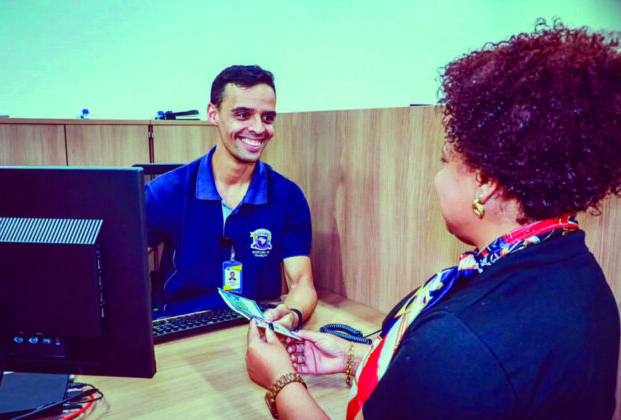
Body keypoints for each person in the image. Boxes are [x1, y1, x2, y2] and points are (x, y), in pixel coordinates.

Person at [245, 20, 621, 419]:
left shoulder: (460, 342)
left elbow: (462, 371)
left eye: (445, 162)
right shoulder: (580, 275)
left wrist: (281, 381)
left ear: (484, 184)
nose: (437, 179)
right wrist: (357, 357)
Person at [146, 65, 317, 328]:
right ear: (213, 114)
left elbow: (302, 283)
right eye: (243, 114)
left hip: (255, 325)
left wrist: (292, 315)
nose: (258, 128)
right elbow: (121, 270)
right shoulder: (165, 192)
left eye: (267, 118)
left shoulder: (288, 197)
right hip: (181, 323)